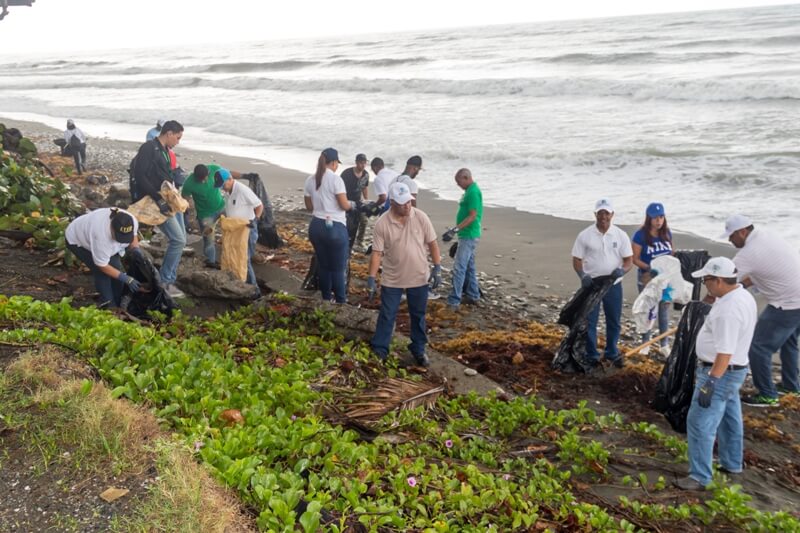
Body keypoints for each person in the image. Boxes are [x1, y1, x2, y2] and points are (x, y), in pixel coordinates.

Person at [674, 257, 756, 490]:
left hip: (720, 372)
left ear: (719, 280)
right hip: (736, 371)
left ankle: (699, 476)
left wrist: (710, 382)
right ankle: (732, 463)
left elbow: (724, 353)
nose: (705, 284)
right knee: (730, 419)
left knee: (700, 421)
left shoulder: (728, 311)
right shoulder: (741, 295)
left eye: (707, 280)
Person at [721, 214, 800, 407]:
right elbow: (761, 272)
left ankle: (767, 394)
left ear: (742, 231)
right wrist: (744, 285)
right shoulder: (766, 236)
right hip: (798, 296)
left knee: (758, 347)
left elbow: (724, 280)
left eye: (731, 237)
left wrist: (706, 302)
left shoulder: (749, 252)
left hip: (788, 303)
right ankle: (791, 387)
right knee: (789, 342)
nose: (730, 241)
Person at [368, 182, 442, 366]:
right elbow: (377, 253)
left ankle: (418, 347)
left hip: (419, 276)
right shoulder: (382, 223)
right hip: (392, 278)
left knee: (418, 314)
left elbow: (433, 243)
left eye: (409, 201)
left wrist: (437, 267)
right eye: (402, 203)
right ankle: (380, 349)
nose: (407, 205)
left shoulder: (421, 217)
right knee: (387, 314)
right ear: (392, 203)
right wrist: (371, 277)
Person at [571, 198, 633, 369]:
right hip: (593, 285)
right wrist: (582, 275)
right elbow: (576, 259)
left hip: (613, 285)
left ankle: (612, 351)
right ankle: (592, 353)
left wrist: (623, 270)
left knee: (613, 319)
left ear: (612, 214)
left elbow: (629, 260)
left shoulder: (620, 235)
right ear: (595, 214)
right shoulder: (585, 235)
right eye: (600, 213)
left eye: (606, 213)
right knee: (590, 320)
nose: (603, 216)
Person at [132, 120, 186, 298]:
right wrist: (157, 199)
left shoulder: (164, 150)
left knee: (181, 238)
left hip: (165, 198)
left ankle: (168, 278)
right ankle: (165, 282)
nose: (178, 141)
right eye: (177, 137)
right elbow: (139, 175)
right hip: (154, 201)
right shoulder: (149, 148)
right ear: (169, 133)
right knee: (178, 240)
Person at [304, 147, 357, 303]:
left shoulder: (310, 180)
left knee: (324, 266)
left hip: (316, 226)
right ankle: (341, 302)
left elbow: (309, 207)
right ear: (333, 163)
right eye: (336, 163)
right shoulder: (336, 179)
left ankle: (326, 300)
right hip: (335, 227)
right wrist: (353, 205)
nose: (337, 166)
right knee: (338, 269)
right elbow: (343, 205)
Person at [65, 208, 143, 308]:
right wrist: (126, 279)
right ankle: (109, 307)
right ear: (112, 228)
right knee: (102, 274)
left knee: (116, 269)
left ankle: (119, 301)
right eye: (119, 236)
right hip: (77, 241)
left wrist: (137, 252)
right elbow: (102, 265)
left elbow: (134, 237)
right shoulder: (101, 236)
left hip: (101, 242)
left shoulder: (130, 220)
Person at [631, 202, 674, 355]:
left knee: (663, 310)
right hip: (647, 276)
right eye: (655, 217)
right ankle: (645, 343)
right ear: (649, 218)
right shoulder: (640, 235)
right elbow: (634, 259)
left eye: (661, 217)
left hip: (665, 278)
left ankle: (664, 344)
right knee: (648, 309)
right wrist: (650, 268)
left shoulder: (667, 233)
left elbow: (671, 254)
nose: (659, 220)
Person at [218, 168, 264, 294]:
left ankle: (255, 291)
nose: (222, 188)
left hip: (247, 229)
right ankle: (240, 283)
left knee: (244, 259)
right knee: (233, 256)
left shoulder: (243, 190)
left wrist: (255, 221)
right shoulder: (228, 191)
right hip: (235, 230)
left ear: (230, 179)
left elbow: (259, 205)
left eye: (223, 185)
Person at [444, 168, 482, 309]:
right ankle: (473, 295)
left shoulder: (473, 192)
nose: (458, 185)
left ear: (466, 177)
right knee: (469, 267)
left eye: (459, 182)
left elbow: (472, 216)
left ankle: (454, 299)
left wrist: (455, 230)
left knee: (459, 267)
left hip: (469, 235)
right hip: (467, 234)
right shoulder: (469, 191)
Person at [181, 164, 227, 267]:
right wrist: (186, 210)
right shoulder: (189, 183)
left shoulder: (214, 169)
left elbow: (227, 174)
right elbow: (185, 197)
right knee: (209, 240)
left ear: (209, 173)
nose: (204, 181)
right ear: (195, 176)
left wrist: (244, 176)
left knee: (234, 230)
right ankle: (211, 263)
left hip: (221, 207)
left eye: (205, 178)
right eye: (200, 180)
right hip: (205, 215)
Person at [340, 153, 370, 249]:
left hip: (358, 201)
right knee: (348, 222)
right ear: (356, 162)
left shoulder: (366, 174)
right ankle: (344, 239)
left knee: (364, 220)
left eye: (364, 163)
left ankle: (359, 241)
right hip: (346, 200)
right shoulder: (347, 173)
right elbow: (339, 188)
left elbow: (364, 187)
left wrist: (366, 200)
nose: (363, 165)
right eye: (361, 163)